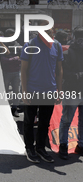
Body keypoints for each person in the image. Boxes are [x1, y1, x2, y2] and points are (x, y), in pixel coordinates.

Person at [21, 20, 63, 163]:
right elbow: (23, 70)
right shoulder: (29, 45)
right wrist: (24, 92)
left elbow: (59, 70)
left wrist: (59, 90)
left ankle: (40, 148)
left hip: (50, 91)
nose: (49, 30)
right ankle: (29, 148)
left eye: (50, 27)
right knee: (29, 122)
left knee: (44, 122)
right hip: (32, 90)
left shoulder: (56, 45)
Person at [58, 27, 83, 160]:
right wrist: (78, 75)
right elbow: (63, 73)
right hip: (72, 90)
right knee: (67, 120)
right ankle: (65, 146)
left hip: (72, 90)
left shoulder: (67, 51)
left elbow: (63, 72)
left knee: (67, 120)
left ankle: (66, 146)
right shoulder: (68, 52)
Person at [0, 29, 21, 117]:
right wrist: (15, 58)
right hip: (6, 72)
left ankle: (14, 108)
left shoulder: (17, 45)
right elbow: (3, 59)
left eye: (12, 34)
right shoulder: (1, 45)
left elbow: (21, 57)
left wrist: (11, 59)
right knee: (4, 91)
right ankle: (5, 109)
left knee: (16, 91)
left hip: (16, 72)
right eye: (9, 35)